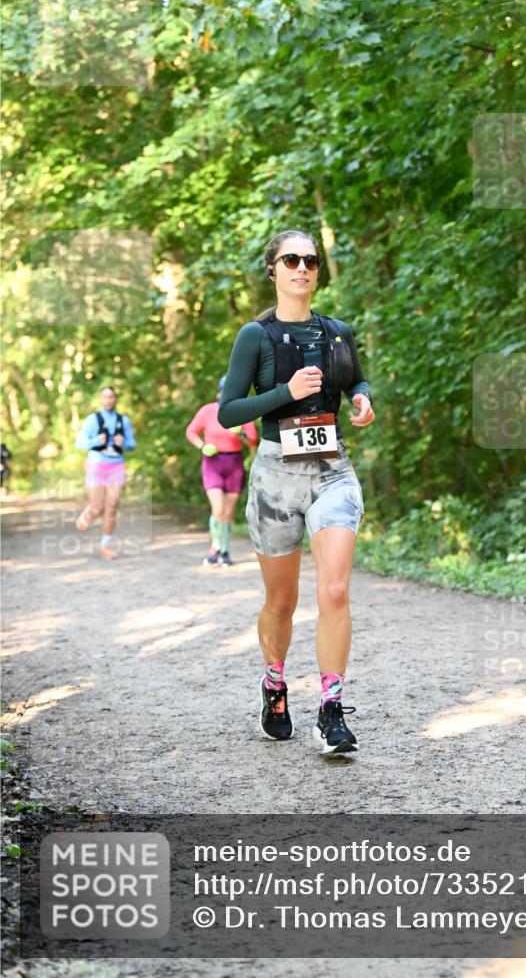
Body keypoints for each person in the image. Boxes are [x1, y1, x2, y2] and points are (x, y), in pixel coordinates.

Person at [219, 229, 375, 756]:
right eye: (292, 259)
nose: (303, 267)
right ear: (273, 270)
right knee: (281, 600)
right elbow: (227, 411)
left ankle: (330, 710)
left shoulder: (337, 332)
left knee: (333, 591)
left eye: (311, 260)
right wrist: (286, 393)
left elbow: (358, 380)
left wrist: (361, 399)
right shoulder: (254, 336)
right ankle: (275, 685)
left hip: (332, 469)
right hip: (274, 477)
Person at [185, 376, 258, 566]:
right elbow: (191, 431)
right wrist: (202, 446)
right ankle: (215, 547)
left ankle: (225, 552)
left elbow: (251, 440)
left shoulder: (243, 411)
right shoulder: (208, 410)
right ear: (220, 391)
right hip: (212, 462)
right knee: (218, 509)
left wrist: (240, 433)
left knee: (228, 512)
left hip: (234, 462)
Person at [74, 386, 136, 560]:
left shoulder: (123, 420)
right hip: (97, 465)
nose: (108, 400)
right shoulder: (93, 420)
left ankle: (105, 546)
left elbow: (132, 445)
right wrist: (95, 441)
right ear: (100, 399)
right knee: (97, 507)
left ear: (115, 399)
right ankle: (89, 513)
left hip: (117, 466)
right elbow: (79, 443)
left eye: (111, 397)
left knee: (112, 507)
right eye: (105, 397)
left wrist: (123, 442)